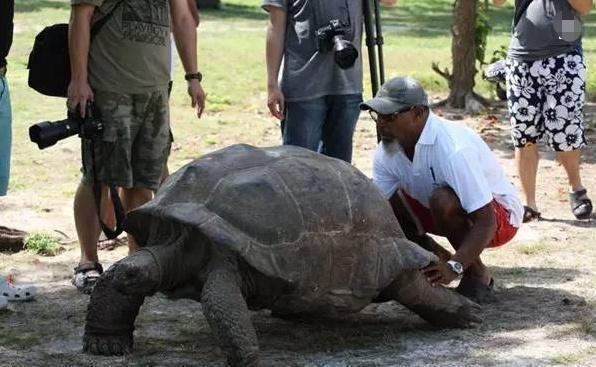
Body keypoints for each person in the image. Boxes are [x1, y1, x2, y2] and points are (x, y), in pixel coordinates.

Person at [68, 0, 206, 294]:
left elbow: (182, 18)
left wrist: (193, 76)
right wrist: (79, 80)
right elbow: (81, 16)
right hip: (108, 87)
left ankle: (138, 261)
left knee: (145, 178)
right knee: (98, 177)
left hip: (155, 91)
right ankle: (87, 262)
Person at [362, 76, 524, 303]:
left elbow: (487, 221)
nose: (380, 123)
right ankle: (433, 258)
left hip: (500, 219)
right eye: (377, 115)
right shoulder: (385, 151)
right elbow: (379, 211)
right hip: (447, 212)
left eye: (389, 116)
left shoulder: (454, 149)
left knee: (442, 199)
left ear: (418, 113)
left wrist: (455, 267)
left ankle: (477, 275)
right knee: (383, 203)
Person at [493, 0, 593, 221]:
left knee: (566, 132)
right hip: (522, 56)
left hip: (565, 53)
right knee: (523, 134)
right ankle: (529, 204)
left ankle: (576, 188)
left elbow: (585, 7)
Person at [263, 0, 396, 163]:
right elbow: (276, 26)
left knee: (340, 167)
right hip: (303, 87)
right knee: (299, 166)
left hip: (348, 86)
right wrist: (272, 84)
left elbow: (390, 1)